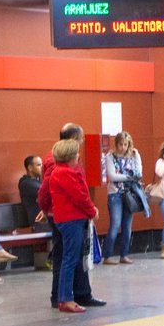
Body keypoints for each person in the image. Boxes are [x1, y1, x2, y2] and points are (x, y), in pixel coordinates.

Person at [40, 123, 105, 309]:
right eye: (81, 138)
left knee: (71, 256)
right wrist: (92, 210)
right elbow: (78, 195)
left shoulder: (59, 163)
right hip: (69, 216)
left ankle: (73, 295)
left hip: (63, 215)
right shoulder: (61, 166)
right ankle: (64, 298)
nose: (83, 143)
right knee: (67, 258)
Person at [103, 131, 142, 264]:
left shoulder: (134, 155)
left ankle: (124, 254)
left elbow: (139, 172)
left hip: (129, 193)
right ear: (116, 144)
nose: (123, 147)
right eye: (120, 144)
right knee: (115, 224)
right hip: (115, 194)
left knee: (127, 225)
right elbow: (112, 176)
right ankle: (107, 255)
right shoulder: (110, 156)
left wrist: (137, 157)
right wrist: (129, 177)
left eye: (126, 144)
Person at [19, 155, 43, 226]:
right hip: (39, 223)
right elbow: (47, 192)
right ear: (30, 168)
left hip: (46, 221)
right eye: (39, 165)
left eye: (42, 164)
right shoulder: (26, 183)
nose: (42, 167)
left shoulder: (39, 180)